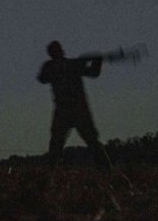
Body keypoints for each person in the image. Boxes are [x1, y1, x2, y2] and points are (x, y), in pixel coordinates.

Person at [37, 40, 112, 170]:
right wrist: (96, 61)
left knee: (88, 142)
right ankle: (50, 172)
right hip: (71, 110)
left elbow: (93, 73)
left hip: (72, 110)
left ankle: (106, 170)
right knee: (59, 144)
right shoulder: (66, 65)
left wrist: (97, 61)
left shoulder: (70, 64)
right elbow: (42, 78)